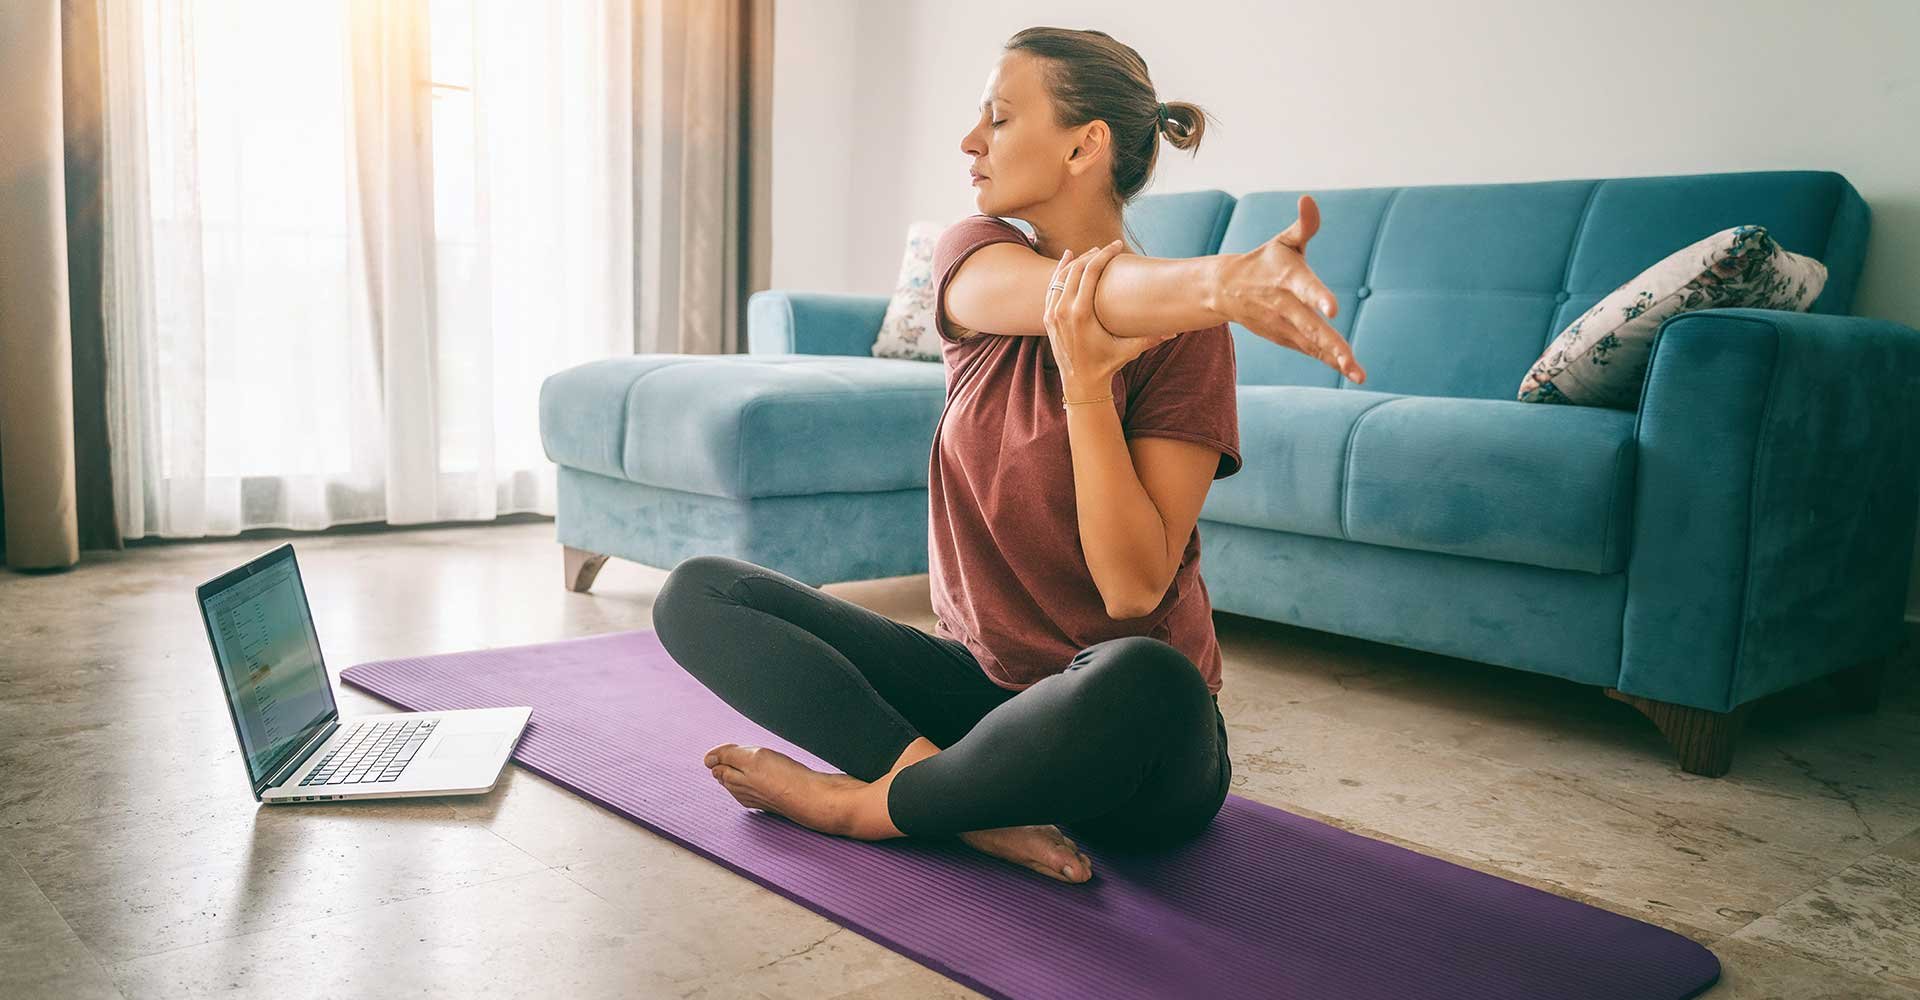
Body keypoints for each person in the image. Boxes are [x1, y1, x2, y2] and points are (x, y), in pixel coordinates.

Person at [651, 26, 1364, 886]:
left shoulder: (1189, 342)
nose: (970, 141)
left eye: (998, 117)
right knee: (700, 592)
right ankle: (950, 797)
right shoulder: (975, 255)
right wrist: (1218, 283)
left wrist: (1090, 389)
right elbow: (1076, 295)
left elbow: (1132, 589)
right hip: (978, 694)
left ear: (1083, 146)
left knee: (1147, 676)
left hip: (1123, 739)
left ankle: (864, 808)